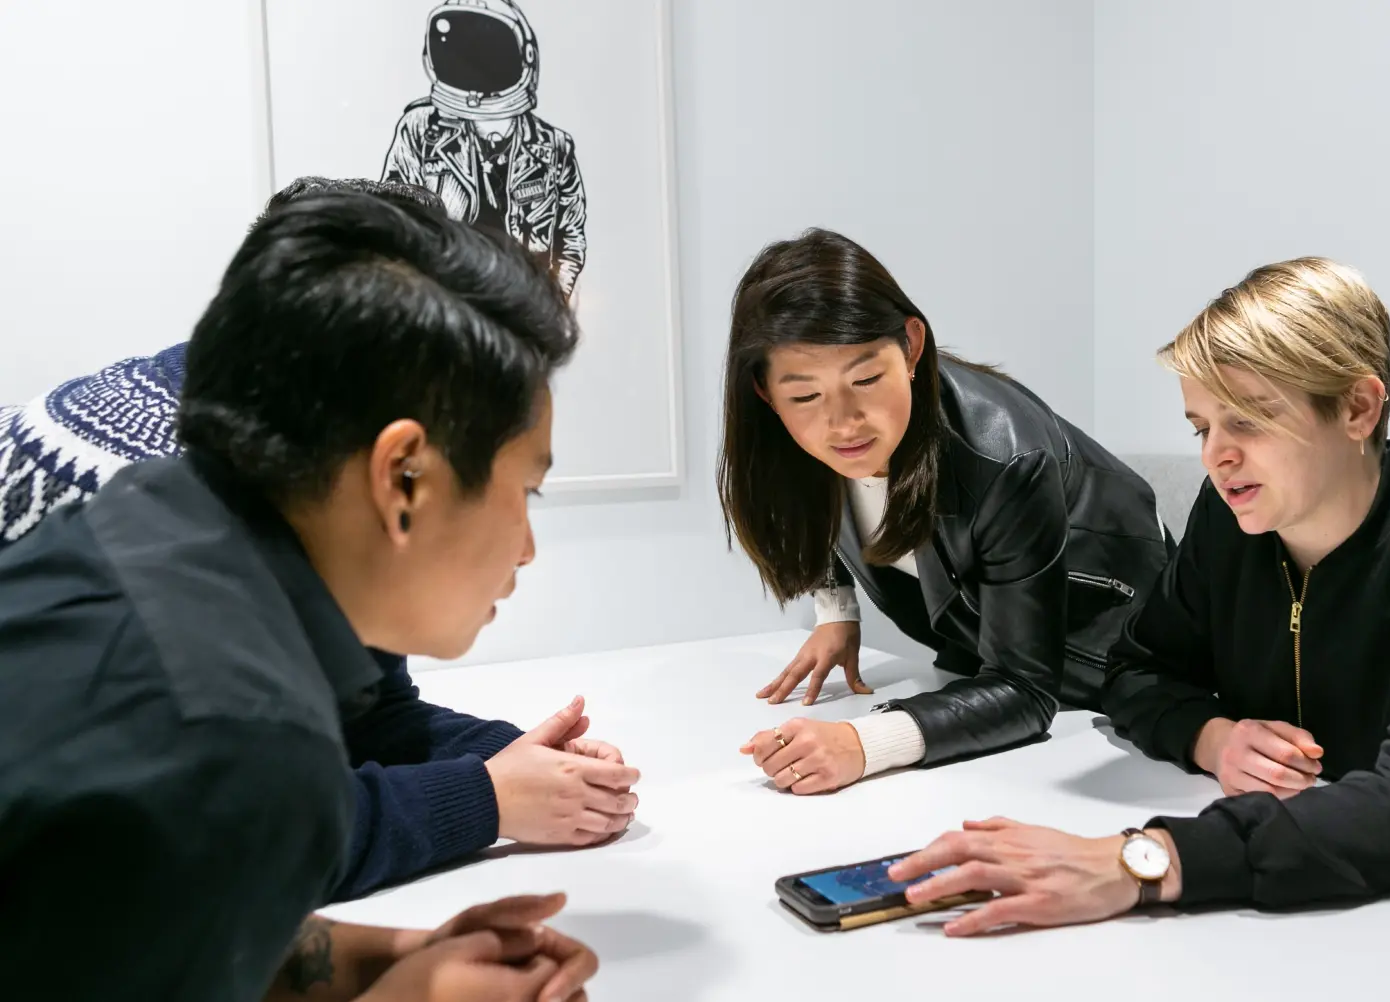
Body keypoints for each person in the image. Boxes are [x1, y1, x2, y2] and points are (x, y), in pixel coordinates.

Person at [887, 257, 1390, 934]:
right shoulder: (1233, 517)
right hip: (1321, 881)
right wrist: (1214, 737)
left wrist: (1139, 863)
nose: (1215, 455)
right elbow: (1136, 671)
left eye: (1249, 418)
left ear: (1359, 409)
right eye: (1203, 426)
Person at [0, 189, 610, 1000]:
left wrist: (387, 957)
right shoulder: (240, 741)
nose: (526, 550)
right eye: (526, 492)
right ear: (405, 478)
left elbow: (117, 920)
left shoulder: (143, 519)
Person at [722, 228, 1170, 794]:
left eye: (866, 379)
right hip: (985, 665)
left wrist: (864, 743)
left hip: (1110, 672)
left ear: (911, 346)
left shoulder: (1005, 457)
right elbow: (818, 504)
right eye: (805, 396)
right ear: (765, 391)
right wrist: (836, 610)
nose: (843, 422)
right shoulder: (798, 442)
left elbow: (1027, 690)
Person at [382, 0, 588, 296]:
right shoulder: (421, 130)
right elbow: (394, 222)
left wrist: (552, 308)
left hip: (521, 305)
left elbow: (570, 240)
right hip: (447, 304)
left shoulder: (554, 149)